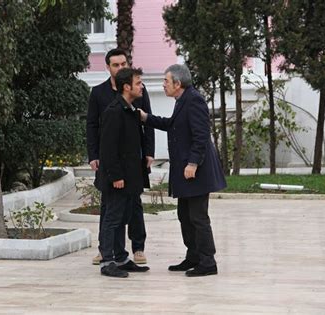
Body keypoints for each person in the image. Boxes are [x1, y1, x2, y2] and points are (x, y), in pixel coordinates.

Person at [138, 64, 227, 277]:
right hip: (186, 171)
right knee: (184, 215)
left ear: (178, 83)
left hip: (196, 171)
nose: (163, 85)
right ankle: (193, 256)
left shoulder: (194, 100)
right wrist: (146, 118)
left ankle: (208, 262)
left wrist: (193, 163)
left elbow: (201, 135)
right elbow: (172, 124)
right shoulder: (182, 100)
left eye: (166, 81)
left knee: (198, 217)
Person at [87, 48, 154, 265]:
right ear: (108, 67)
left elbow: (147, 123)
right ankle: (107, 254)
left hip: (132, 164)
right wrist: (96, 157)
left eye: (123, 63)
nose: (120, 67)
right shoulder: (104, 99)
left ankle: (131, 250)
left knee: (131, 207)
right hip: (115, 168)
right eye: (115, 65)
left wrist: (149, 153)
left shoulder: (136, 97)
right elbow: (97, 131)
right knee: (111, 211)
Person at [97, 67, 151, 277]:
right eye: (138, 83)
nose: (142, 87)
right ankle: (107, 261)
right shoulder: (113, 111)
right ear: (126, 87)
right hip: (117, 179)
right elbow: (108, 149)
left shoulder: (131, 110)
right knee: (112, 218)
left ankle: (120, 258)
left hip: (130, 178)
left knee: (123, 217)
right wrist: (116, 176)